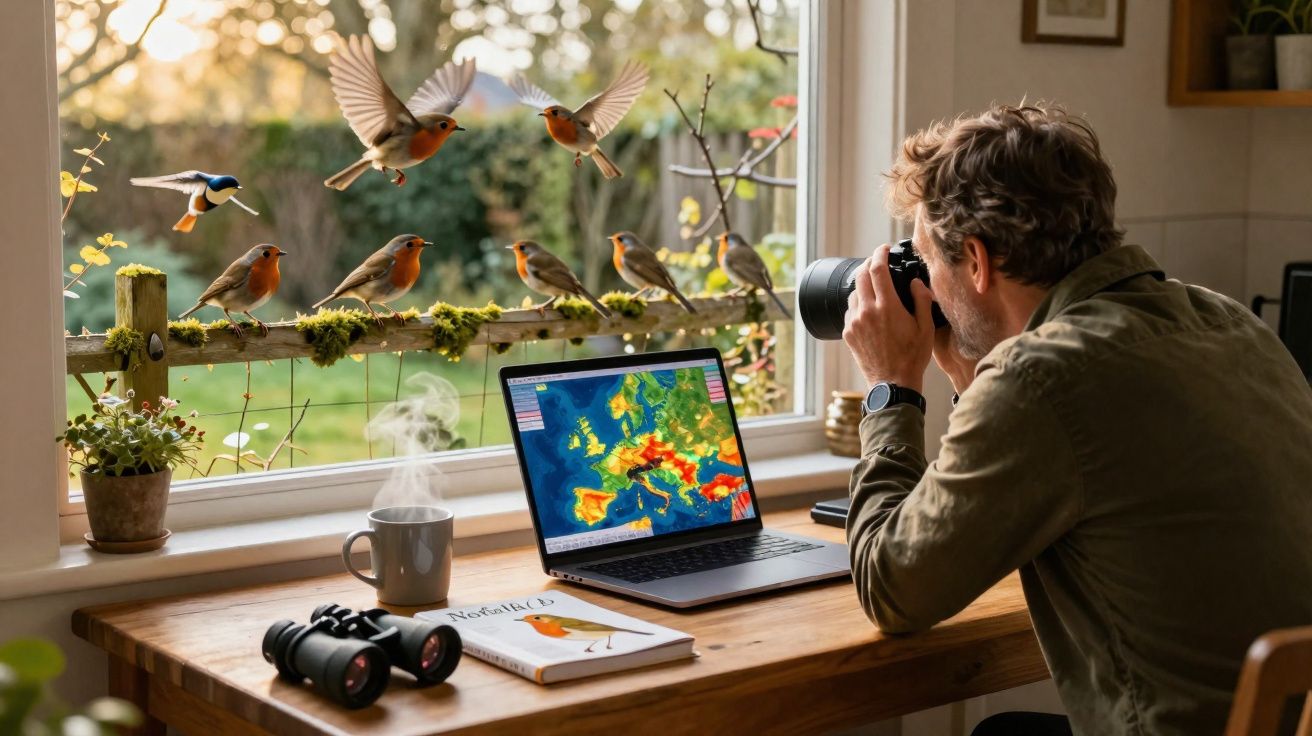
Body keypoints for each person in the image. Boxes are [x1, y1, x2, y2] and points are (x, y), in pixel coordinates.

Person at [841, 102, 1312, 736]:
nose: (927, 285)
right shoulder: (1231, 323)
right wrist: (968, 380)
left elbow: (892, 589)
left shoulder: (1038, 380)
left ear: (976, 262)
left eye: (927, 262)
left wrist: (891, 389)